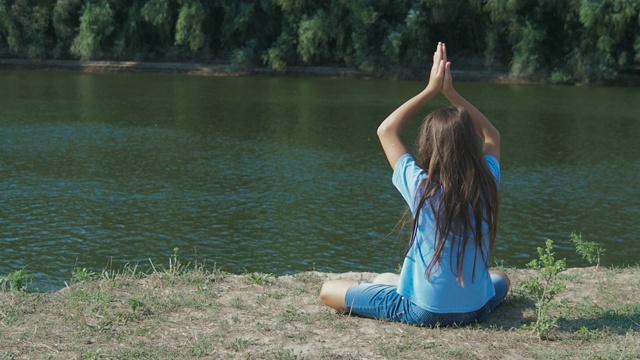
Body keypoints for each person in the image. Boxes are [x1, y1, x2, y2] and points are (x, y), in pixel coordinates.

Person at [319, 42, 510, 326]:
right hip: (476, 310)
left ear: (428, 147)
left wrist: (430, 90)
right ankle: (395, 283)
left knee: (328, 291)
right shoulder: (487, 183)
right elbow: (492, 135)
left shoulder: (423, 188)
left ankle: (393, 285)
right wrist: (452, 93)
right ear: (470, 145)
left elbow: (386, 131)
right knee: (502, 279)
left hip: (423, 311)